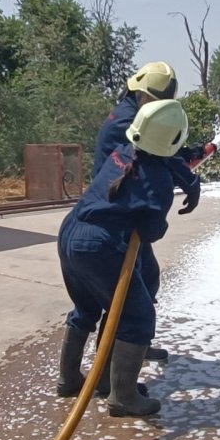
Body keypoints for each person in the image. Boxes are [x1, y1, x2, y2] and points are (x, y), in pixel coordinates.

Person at [57, 99, 189, 416]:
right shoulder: (158, 180)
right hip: (97, 246)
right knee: (138, 317)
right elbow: (151, 231)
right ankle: (123, 396)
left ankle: (70, 379)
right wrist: (161, 218)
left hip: (70, 232)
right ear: (173, 140)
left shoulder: (123, 152)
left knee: (86, 307)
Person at [93, 61, 215, 362]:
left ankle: (133, 346)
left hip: (124, 208)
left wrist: (194, 153)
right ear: (146, 95)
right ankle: (110, 370)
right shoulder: (127, 122)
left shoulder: (129, 112)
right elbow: (159, 159)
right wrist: (189, 176)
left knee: (146, 278)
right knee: (126, 293)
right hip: (117, 216)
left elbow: (164, 153)